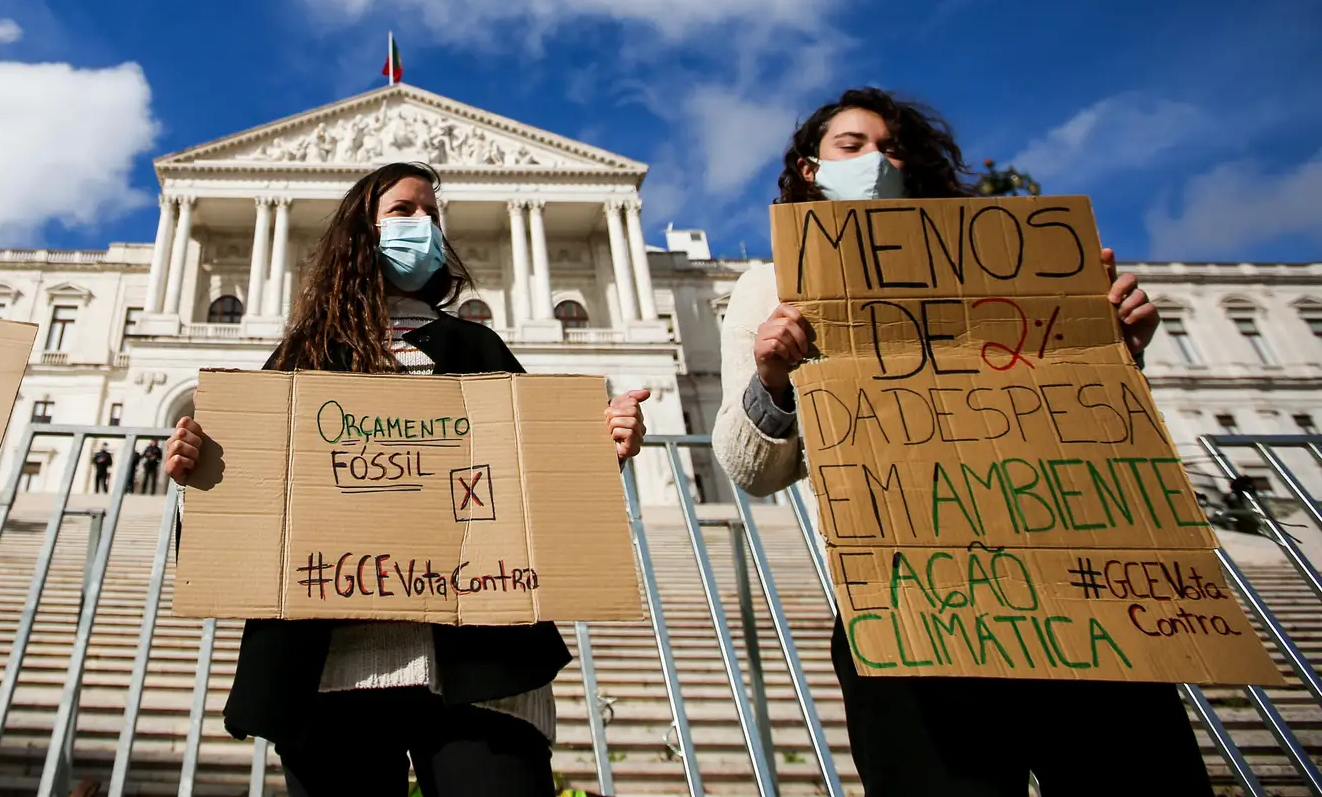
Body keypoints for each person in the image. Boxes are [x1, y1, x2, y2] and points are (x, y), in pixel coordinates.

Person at [711, 87, 1211, 797]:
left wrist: (1116, 357)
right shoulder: (770, 285)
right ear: (809, 169)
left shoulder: (1002, 259)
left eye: (890, 149)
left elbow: (1078, 425)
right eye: (852, 147)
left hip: (1078, 584)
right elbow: (747, 467)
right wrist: (774, 378)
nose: (877, 161)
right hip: (909, 600)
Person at [164, 161, 648, 797]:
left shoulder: (480, 349)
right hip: (331, 670)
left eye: (433, 215)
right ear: (358, 233)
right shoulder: (299, 362)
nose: (426, 226)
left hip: (481, 667)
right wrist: (198, 477)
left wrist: (593, 453)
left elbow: (540, 490)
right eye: (404, 211)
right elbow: (233, 526)